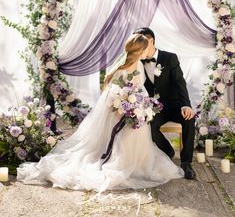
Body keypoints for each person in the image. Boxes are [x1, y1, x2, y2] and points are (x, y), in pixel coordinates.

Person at [17, 34, 184, 191]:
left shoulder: (139, 64)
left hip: (135, 110)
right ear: (139, 50)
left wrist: (142, 105)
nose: (147, 52)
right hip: (120, 111)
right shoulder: (122, 68)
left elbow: (139, 88)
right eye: (145, 49)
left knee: (139, 135)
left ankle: (137, 164)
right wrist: (125, 107)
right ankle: (122, 164)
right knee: (123, 138)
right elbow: (113, 93)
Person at [134, 28, 196, 180]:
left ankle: (186, 162)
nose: (141, 48)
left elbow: (180, 83)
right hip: (154, 108)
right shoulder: (138, 61)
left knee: (189, 119)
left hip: (175, 105)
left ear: (151, 41)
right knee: (148, 126)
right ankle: (168, 151)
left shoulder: (170, 58)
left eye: (144, 44)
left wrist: (186, 105)